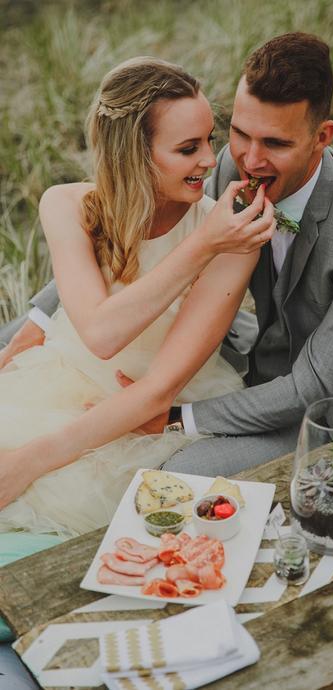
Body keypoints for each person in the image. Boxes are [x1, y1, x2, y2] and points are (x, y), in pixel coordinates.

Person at [0, 33, 333, 481]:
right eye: (239, 133)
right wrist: (40, 320)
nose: (249, 160)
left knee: (180, 471)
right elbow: (137, 239)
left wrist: (174, 418)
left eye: (275, 143)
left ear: (321, 137)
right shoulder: (229, 166)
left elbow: (311, 387)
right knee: (21, 332)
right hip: (253, 354)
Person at [0, 55, 276, 540]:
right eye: (188, 148)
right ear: (134, 153)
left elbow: (157, 392)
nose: (210, 161)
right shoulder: (66, 205)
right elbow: (100, 332)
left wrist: (29, 461)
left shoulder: (228, 237)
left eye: (209, 140)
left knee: (45, 506)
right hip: (63, 378)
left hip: (144, 411)